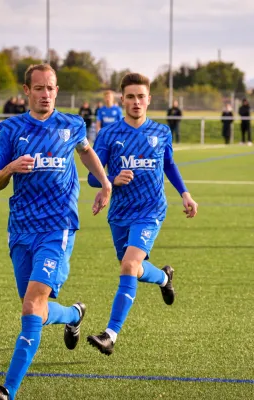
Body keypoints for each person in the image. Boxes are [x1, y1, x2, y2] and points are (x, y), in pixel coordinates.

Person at [0, 63, 112, 400]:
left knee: (31, 306)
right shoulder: (9, 129)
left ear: (57, 90)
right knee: (37, 311)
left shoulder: (71, 124)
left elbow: (86, 152)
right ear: (26, 91)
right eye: (38, 88)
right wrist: (11, 167)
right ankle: (73, 315)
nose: (45, 94)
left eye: (51, 88)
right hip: (21, 230)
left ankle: (7, 389)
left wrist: (105, 184)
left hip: (58, 227)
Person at [85, 72, 198, 356]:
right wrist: (111, 179)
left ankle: (110, 334)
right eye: (131, 97)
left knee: (128, 265)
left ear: (149, 99)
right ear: (122, 100)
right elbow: (91, 178)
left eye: (141, 96)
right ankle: (163, 277)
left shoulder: (161, 132)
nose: (136, 102)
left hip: (151, 210)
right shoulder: (109, 134)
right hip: (120, 212)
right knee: (132, 267)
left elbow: (169, 165)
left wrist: (185, 193)